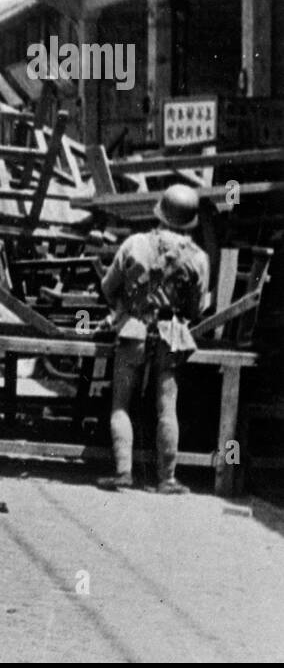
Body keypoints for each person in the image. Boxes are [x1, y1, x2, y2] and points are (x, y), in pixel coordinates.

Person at [97, 184, 210, 494]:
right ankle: (167, 479)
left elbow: (108, 288)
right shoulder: (198, 257)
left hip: (133, 329)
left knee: (120, 403)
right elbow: (197, 308)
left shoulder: (134, 244)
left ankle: (123, 473)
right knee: (167, 407)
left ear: (160, 212)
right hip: (170, 336)